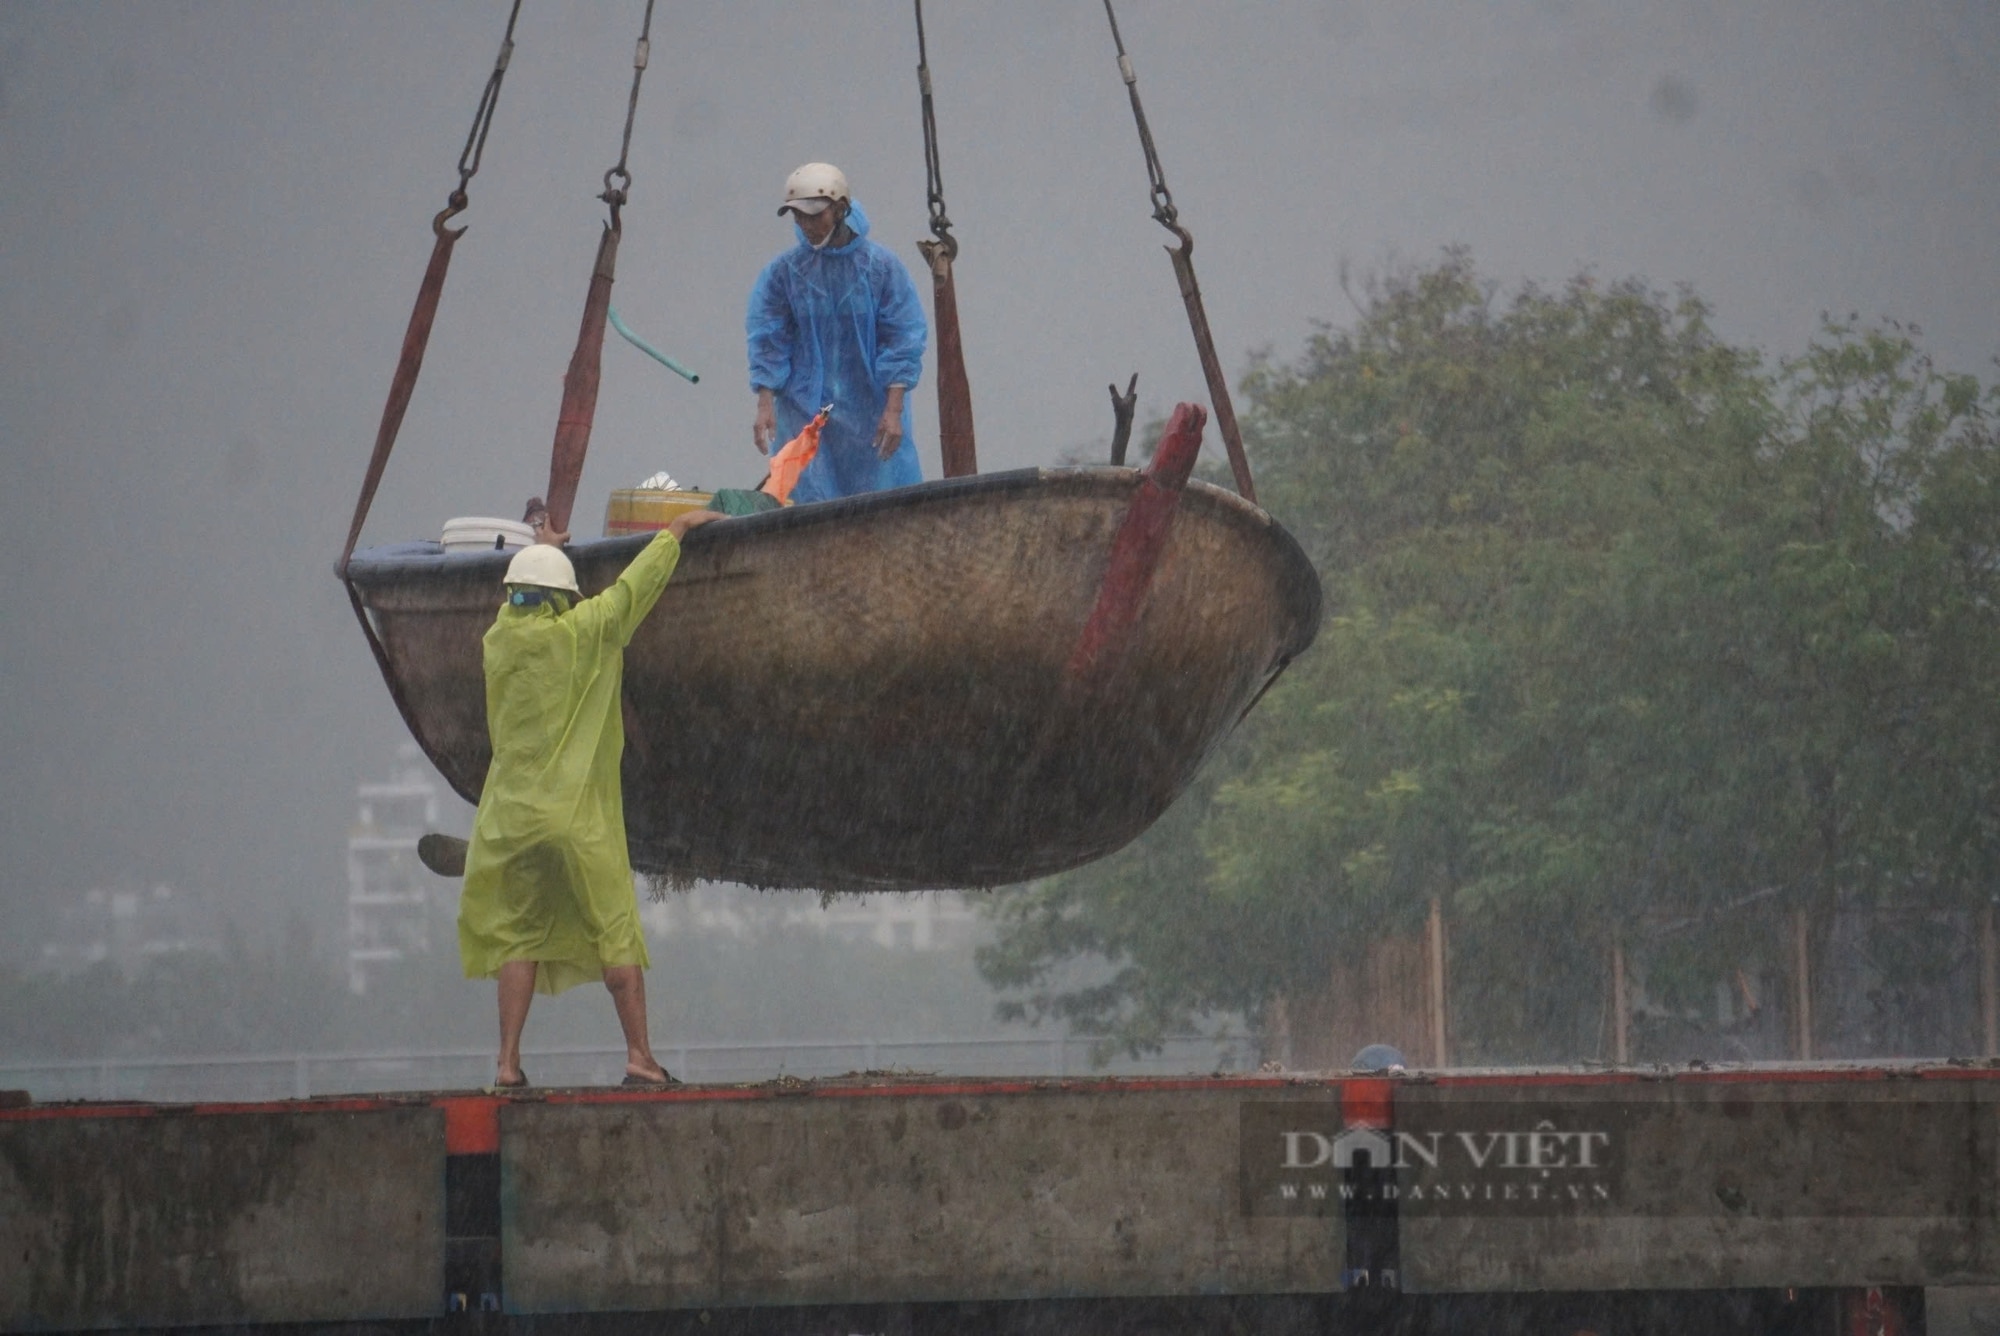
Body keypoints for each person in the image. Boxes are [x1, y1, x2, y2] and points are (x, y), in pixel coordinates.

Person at [457, 506, 721, 1089]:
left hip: (510, 820)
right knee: (615, 929)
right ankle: (639, 1056)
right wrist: (672, 534)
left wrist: (543, 549)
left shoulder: (495, 643)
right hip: (576, 819)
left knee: (519, 937)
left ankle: (506, 1065)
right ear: (565, 597)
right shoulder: (588, 631)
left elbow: (525, 595)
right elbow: (633, 590)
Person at [747, 162, 928, 502]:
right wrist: (765, 403)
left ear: (841, 209)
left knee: (881, 505)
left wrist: (893, 410)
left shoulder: (881, 269)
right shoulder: (784, 274)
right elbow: (768, 339)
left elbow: (903, 338)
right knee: (812, 503)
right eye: (799, 216)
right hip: (805, 412)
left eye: (815, 215)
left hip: (870, 411)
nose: (806, 224)